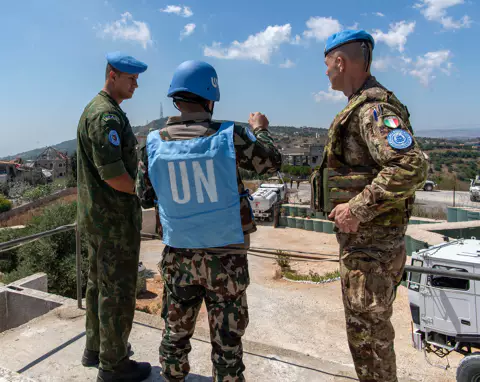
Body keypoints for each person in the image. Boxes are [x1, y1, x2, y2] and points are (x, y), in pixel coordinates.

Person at [136, 60, 282, 381]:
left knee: (175, 338)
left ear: (176, 99)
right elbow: (271, 163)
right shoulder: (232, 136)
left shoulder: (153, 143)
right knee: (227, 346)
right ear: (210, 98)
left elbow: (145, 197)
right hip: (226, 259)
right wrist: (260, 128)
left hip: (179, 258)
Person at [310, 30, 428, 382]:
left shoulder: (373, 110)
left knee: (370, 343)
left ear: (341, 62)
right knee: (366, 339)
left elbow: (411, 165)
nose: (326, 73)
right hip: (370, 250)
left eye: (328, 65)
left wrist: (355, 208)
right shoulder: (362, 106)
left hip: (371, 252)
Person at [76, 52, 152, 382]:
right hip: (113, 221)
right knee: (117, 290)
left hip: (98, 217)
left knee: (98, 284)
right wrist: (144, 192)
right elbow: (114, 175)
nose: (136, 84)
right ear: (112, 75)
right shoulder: (105, 116)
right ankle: (114, 363)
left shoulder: (102, 111)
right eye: (130, 78)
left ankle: (96, 348)